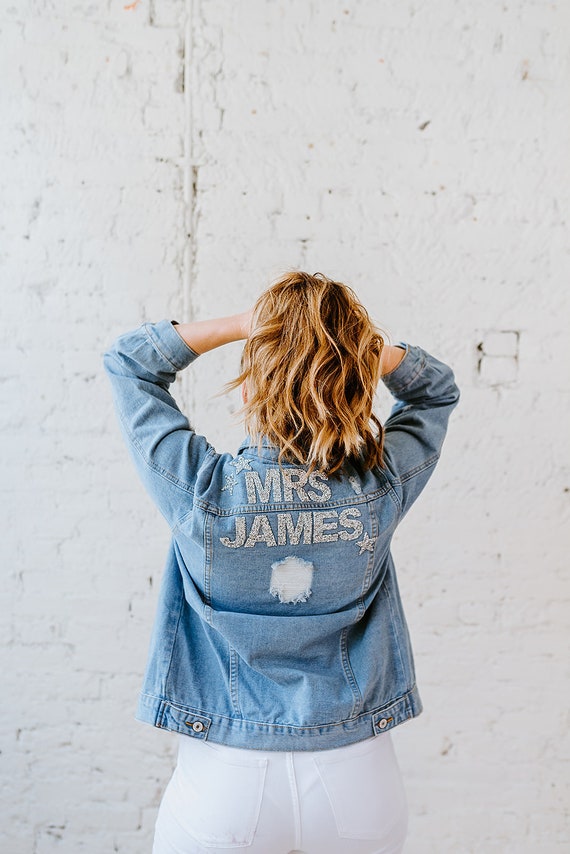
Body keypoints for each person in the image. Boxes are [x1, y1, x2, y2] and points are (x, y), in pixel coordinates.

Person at [103, 270, 460, 854]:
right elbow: (435, 390)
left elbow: (128, 363)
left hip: (224, 782)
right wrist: (349, 342)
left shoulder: (202, 491)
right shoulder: (377, 489)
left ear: (250, 387)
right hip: (356, 780)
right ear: (354, 383)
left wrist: (250, 325)